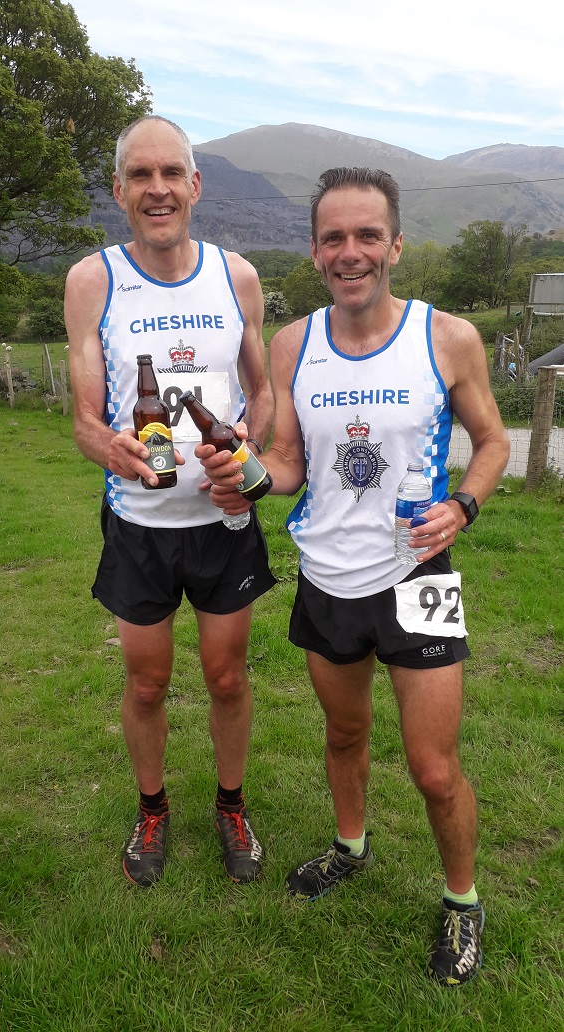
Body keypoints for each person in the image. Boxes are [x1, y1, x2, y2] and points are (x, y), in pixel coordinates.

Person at [195, 167, 510, 984]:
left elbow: (494, 441)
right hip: (326, 578)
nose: (350, 251)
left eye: (367, 234)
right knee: (342, 735)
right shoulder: (293, 343)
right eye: (333, 237)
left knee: (435, 768)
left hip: (419, 575)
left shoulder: (449, 338)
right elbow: (290, 466)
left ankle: (462, 902)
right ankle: (349, 847)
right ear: (314, 250)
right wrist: (244, 473)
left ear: (395, 245)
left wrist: (464, 506)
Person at [64, 115, 276, 888]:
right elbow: (86, 421)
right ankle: (151, 807)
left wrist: (251, 441)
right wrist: (108, 446)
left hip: (223, 521)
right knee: (147, 682)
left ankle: (230, 804)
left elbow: (263, 391)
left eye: (171, 173)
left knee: (227, 676)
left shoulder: (237, 276)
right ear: (119, 189)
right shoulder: (93, 279)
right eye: (140, 175)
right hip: (140, 525)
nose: (157, 189)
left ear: (195, 184)